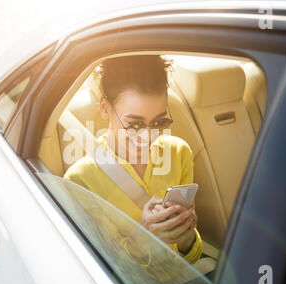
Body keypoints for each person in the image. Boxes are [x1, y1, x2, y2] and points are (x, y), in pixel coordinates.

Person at [64, 55, 202, 267]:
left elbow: (191, 258)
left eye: (159, 122)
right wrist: (140, 241)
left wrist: (186, 239)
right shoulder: (79, 181)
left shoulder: (179, 152)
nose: (148, 136)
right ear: (105, 109)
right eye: (134, 124)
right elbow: (97, 273)